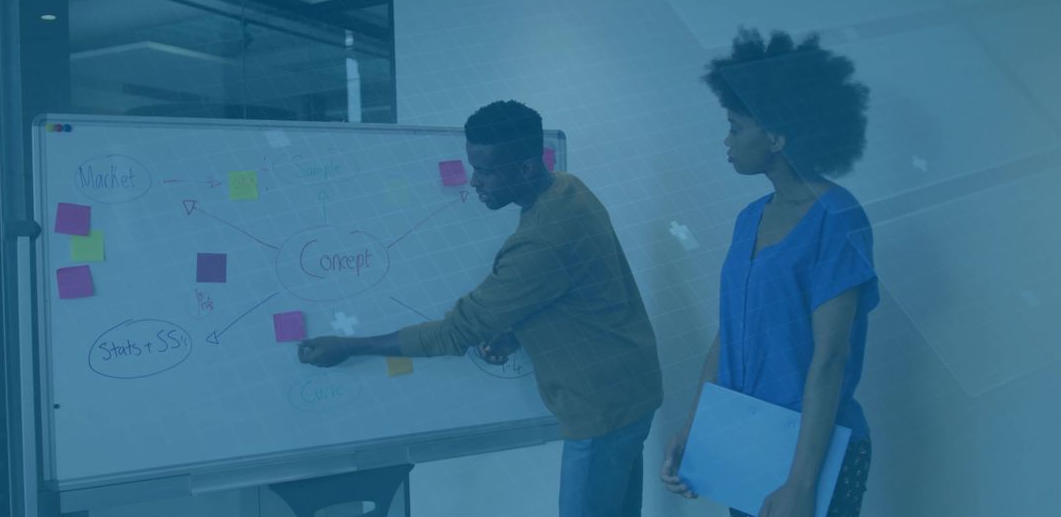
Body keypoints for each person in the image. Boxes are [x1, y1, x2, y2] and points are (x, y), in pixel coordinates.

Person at [299, 100, 664, 517]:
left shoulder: (542, 239)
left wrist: (350, 346)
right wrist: (515, 330)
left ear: (525, 168)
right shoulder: (568, 188)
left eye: (485, 170)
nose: (474, 181)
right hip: (631, 385)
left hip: (601, 409)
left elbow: (457, 331)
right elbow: (571, 289)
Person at [661, 29, 878, 517]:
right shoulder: (749, 218)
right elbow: (728, 336)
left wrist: (800, 484)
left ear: (777, 138)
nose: (727, 140)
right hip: (750, 440)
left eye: (736, 127)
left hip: (812, 454)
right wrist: (695, 428)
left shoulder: (837, 217)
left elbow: (831, 357)